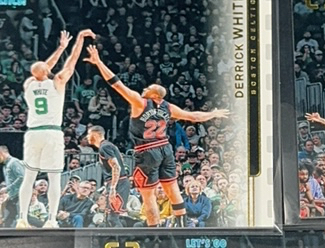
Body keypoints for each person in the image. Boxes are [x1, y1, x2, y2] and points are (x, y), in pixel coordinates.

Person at [83, 44, 229, 227]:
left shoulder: (140, 102)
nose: (145, 89)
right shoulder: (168, 107)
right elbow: (194, 116)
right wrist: (213, 114)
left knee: (148, 194)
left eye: (149, 88)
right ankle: (181, 225)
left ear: (156, 96)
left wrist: (98, 62)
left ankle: (155, 231)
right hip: (165, 149)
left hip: (147, 151)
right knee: (172, 188)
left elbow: (116, 83)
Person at [15, 28, 96, 228]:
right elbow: (71, 62)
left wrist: (60, 48)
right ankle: (51, 220)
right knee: (54, 177)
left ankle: (22, 218)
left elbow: (42, 69)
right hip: (51, 132)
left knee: (29, 178)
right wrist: (78, 40)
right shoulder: (57, 82)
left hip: (33, 132)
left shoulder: (29, 84)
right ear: (46, 72)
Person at [84, 125, 127, 224]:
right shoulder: (108, 145)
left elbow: (116, 166)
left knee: (113, 218)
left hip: (119, 183)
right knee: (109, 218)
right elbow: (121, 159)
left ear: (96, 134)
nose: (87, 137)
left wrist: (113, 187)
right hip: (117, 182)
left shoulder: (105, 147)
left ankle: (122, 235)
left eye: (89, 134)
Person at [0, 144, 25, 226]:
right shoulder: (5, 166)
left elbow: (22, 177)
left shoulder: (14, 162)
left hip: (19, 196)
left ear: (1, 153)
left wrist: (8, 188)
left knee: (19, 218)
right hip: (12, 196)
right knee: (8, 219)